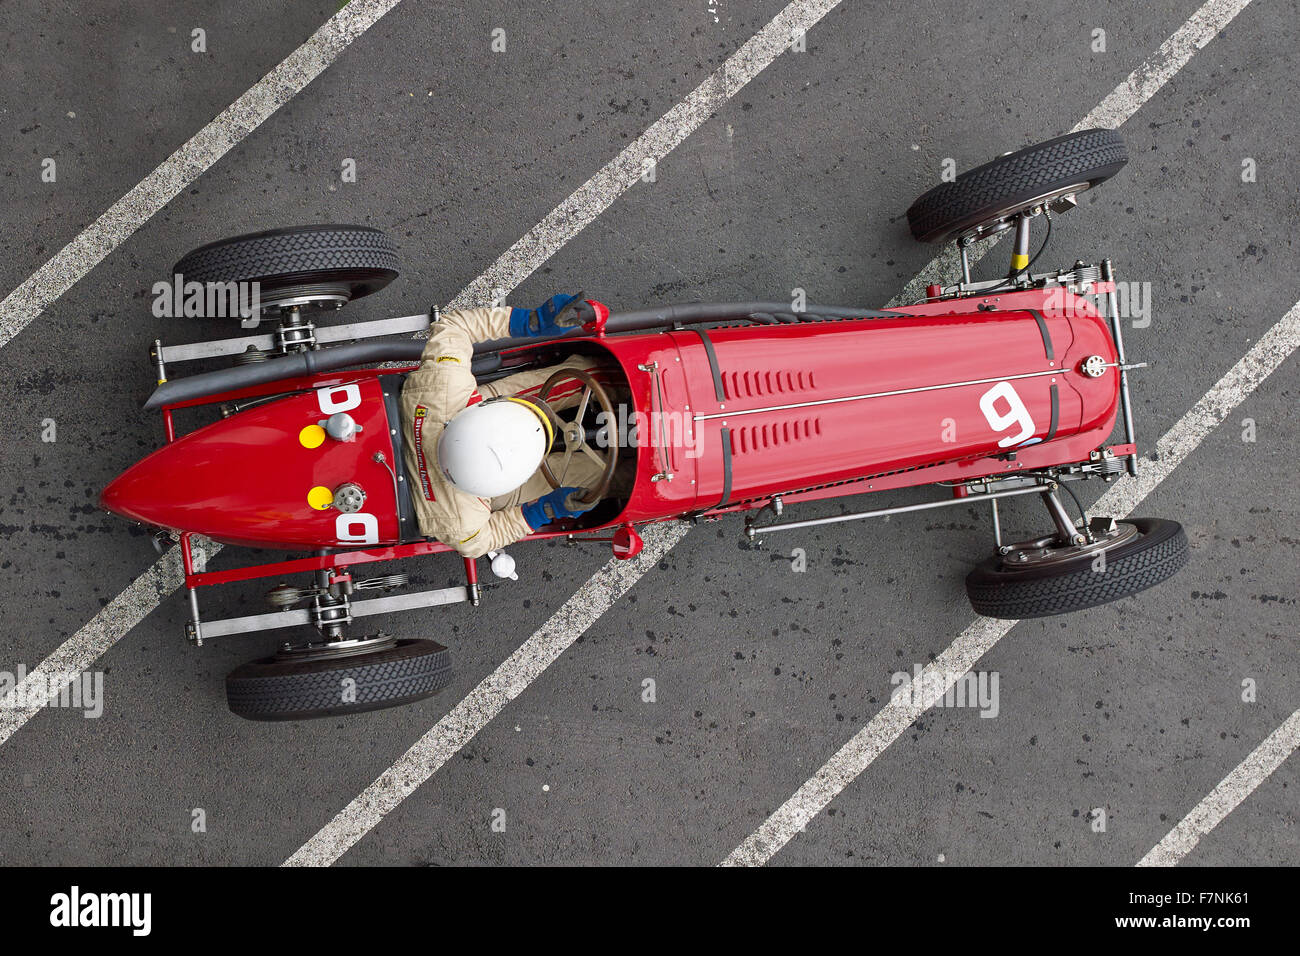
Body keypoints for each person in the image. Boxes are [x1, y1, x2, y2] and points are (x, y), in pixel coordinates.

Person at [399, 294, 607, 558]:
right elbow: (454, 326)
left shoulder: (463, 526)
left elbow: (454, 327)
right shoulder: (445, 387)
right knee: (590, 376)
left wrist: (543, 510)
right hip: (447, 448)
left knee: (600, 480)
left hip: (450, 490)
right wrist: (533, 322)